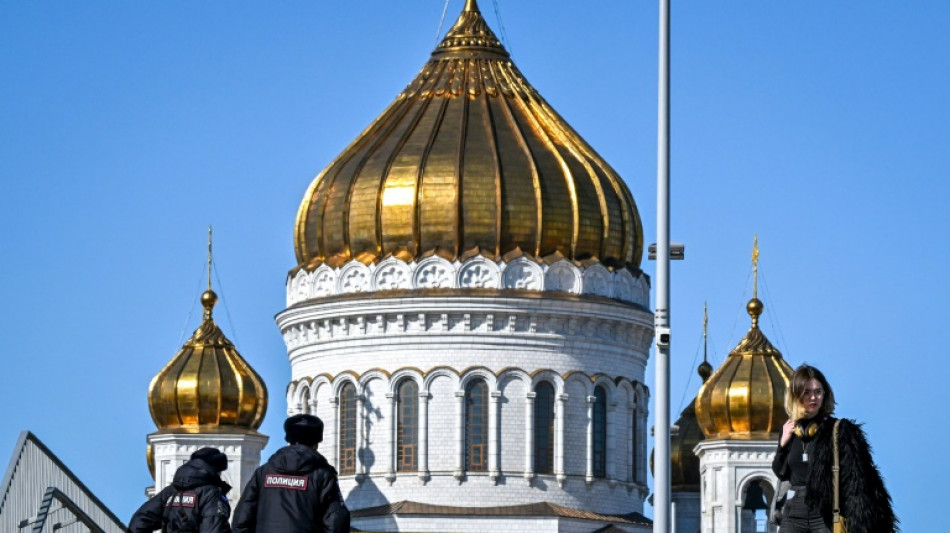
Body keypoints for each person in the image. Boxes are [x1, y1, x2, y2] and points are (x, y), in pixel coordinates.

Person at [772, 364, 898, 532]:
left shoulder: (839, 431)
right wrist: (782, 445)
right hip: (794, 512)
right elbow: (781, 472)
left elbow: (857, 482)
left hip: (825, 514)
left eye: (818, 391)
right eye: (807, 392)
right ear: (796, 395)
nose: (813, 397)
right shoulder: (790, 429)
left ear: (825, 394)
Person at [232, 414, 350, 533]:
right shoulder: (323, 475)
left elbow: (241, 519)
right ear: (316, 443)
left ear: (289, 440)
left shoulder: (264, 472)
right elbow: (336, 521)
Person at [128, 447, 232, 533]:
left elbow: (140, 520)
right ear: (214, 470)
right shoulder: (211, 493)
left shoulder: (170, 491)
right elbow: (213, 526)